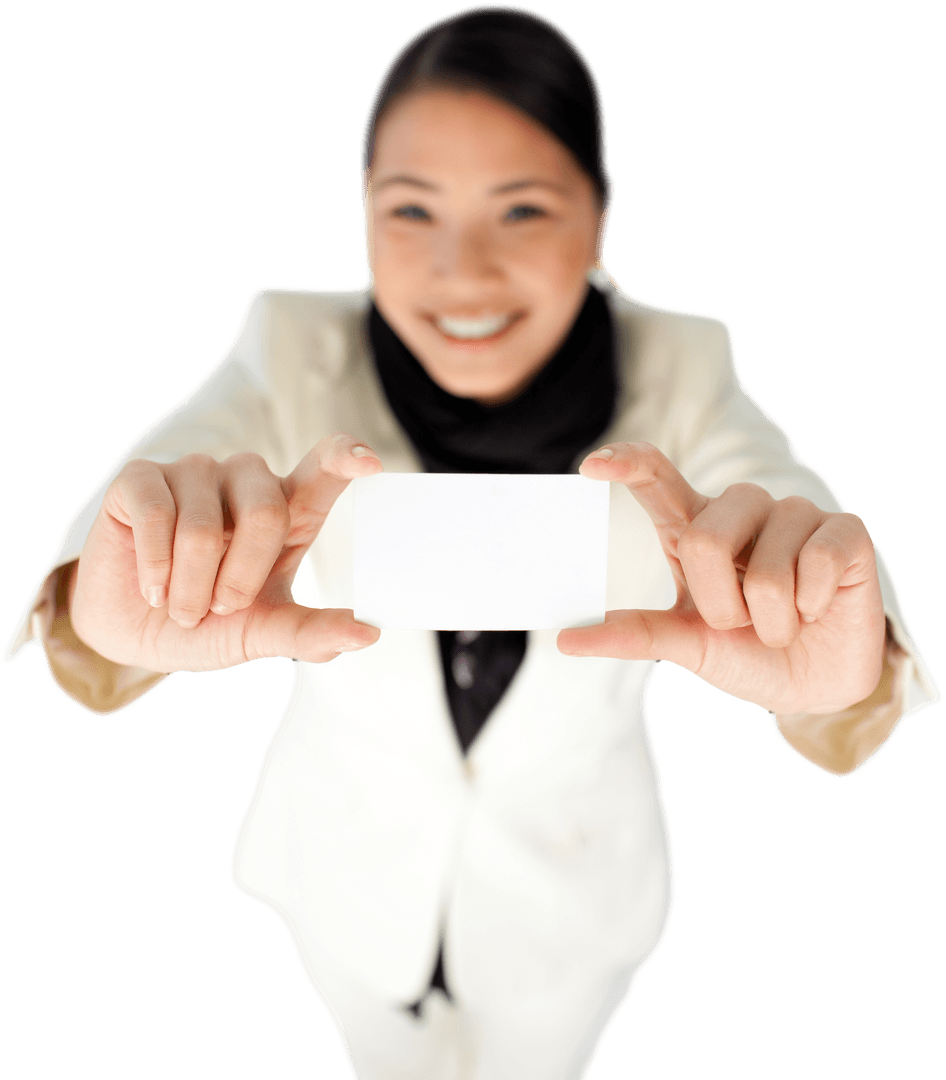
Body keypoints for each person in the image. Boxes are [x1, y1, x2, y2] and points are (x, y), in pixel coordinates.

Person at [3, 6, 940, 1079]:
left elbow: (776, 498)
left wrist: (838, 651)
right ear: (361, 209)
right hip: (343, 876)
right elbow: (167, 472)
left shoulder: (684, 365)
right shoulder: (289, 346)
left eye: (523, 209)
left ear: (600, 218)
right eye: (411, 209)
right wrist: (110, 596)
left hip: (572, 901)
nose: (463, 271)